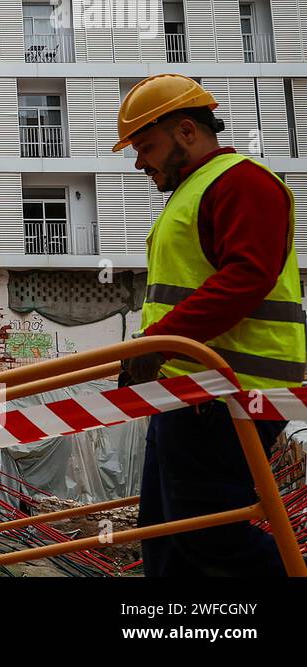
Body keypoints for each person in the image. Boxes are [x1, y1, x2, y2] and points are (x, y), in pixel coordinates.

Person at [115, 73, 306, 576]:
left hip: (233, 394)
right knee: (164, 538)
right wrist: (152, 353)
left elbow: (248, 275)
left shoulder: (243, 181)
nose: (139, 162)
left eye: (146, 146)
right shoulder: (193, 191)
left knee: (209, 536)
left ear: (185, 131)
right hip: (190, 392)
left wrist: (155, 345)